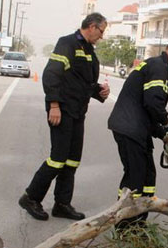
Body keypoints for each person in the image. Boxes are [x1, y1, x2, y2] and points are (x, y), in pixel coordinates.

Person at [18, 13, 111, 221]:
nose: (102, 36)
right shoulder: (67, 43)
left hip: (78, 112)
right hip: (62, 110)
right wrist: (54, 105)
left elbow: (81, 81)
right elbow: (52, 75)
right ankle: (31, 197)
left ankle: (62, 204)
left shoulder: (88, 50)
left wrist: (99, 91)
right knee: (57, 159)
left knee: (72, 160)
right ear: (92, 26)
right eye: (102, 31)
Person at [107, 41, 168, 230]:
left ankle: (138, 222)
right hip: (130, 127)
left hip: (136, 127)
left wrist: (164, 135)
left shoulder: (154, 65)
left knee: (147, 176)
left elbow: (148, 108)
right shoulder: (159, 68)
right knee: (135, 178)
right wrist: (167, 125)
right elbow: (154, 103)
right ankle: (125, 226)